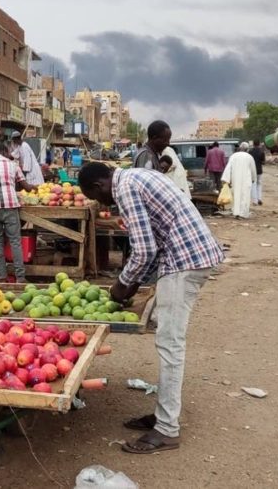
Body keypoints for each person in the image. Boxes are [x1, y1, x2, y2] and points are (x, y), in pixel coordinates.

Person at [78, 162, 224, 454]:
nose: (102, 204)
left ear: (99, 186)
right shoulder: (136, 176)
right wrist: (135, 282)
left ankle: (167, 429)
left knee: (170, 344)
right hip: (189, 256)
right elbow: (154, 241)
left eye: (97, 198)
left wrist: (123, 283)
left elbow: (144, 249)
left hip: (185, 261)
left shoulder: (125, 188)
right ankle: (162, 416)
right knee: (168, 342)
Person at [0, 141, 37, 282]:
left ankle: (2, 277)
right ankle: (20, 278)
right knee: (15, 242)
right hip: (10, 206)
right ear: (4, 151)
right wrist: (35, 188)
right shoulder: (13, 165)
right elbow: (26, 187)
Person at [221, 143, 257, 219]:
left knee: (236, 196)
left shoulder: (233, 156)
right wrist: (254, 179)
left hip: (235, 179)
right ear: (247, 149)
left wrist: (226, 179)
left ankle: (236, 212)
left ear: (240, 148)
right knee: (245, 196)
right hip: (246, 179)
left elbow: (228, 168)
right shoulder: (249, 157)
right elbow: (253, 169)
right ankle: (243, 214)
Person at [249, 140, 266, 205]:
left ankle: (255, 201)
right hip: (259, 171)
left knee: (253, 184)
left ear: (253, 144)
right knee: (259, 184)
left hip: (252, 171)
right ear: (259, 144)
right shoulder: (262, 152)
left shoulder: (250, 151)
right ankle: (259, 199)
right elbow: (264, 162)